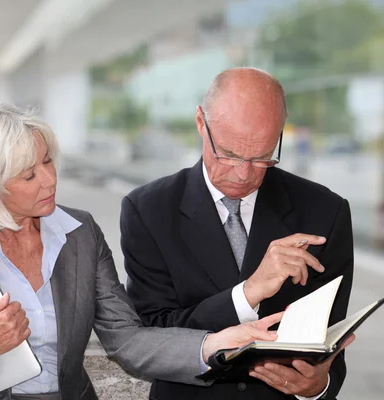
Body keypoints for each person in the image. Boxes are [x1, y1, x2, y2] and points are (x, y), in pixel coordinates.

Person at [0, 98, 284, 400]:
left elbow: (126, 339)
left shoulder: (80, 232)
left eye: (49, 162)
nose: (49, 180)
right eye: (29, 175)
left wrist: (214, 343)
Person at [121, 68, 355, 400]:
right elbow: (154, 333)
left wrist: (318, 386)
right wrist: (247, 294)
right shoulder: (147, 210)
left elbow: (330, 340)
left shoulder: (325, 212)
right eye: (229, 154)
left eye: (262, 157)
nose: (244, 174)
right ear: (201, 123)